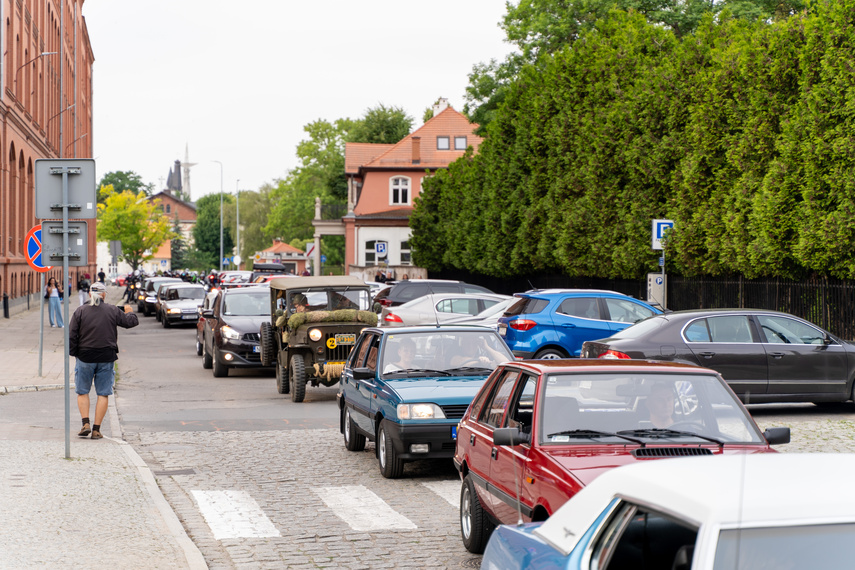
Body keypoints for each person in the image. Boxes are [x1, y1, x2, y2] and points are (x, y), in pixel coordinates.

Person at [70, 281, 139, 440]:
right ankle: (96, 430)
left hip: (85, 356)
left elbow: (72, 335)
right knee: (103, 393)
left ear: (89, 294)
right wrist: (129, 312)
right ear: (103, 295)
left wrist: (76, 354)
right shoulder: (112, 310)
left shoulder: (80, 311)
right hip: (106, 357)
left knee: (82, 391)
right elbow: (131, 322)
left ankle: (85, 423)